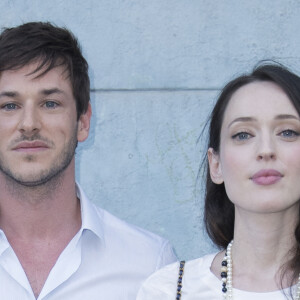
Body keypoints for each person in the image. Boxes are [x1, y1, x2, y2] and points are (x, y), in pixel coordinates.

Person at [0, 22, 177, 299]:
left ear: (83, 121)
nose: (29, 124)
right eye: (10, 105)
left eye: (50, 103)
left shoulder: (149, 265)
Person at [137, 63, 300, 300]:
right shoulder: (169, 290)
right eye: (243, 134)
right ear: (216, 165)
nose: (266, 150)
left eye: (288, 132)